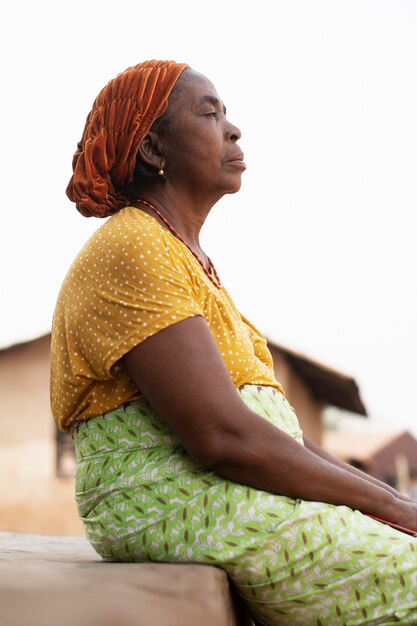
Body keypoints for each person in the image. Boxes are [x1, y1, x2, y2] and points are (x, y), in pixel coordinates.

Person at [50, 60, 417, 626]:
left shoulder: (187, 258)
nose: (233, 128)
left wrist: (391, 503)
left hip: (228, 488)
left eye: (227, 113)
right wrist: (390, 504)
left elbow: (280, 437)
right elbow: (220, 436)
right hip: (176, 501)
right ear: (153, 150)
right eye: (209, 112)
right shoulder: (133, 245)